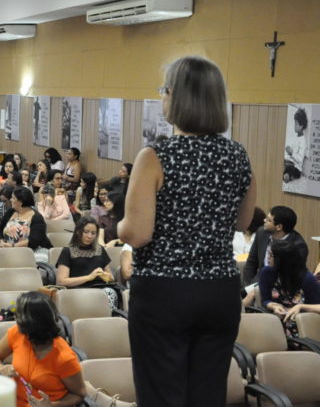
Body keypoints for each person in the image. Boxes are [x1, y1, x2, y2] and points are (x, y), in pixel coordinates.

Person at [119, 56, 257, 406]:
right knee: (207, 397)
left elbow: (137, 234)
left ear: (176, 98)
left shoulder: (155, 156)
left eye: (164, 90)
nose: (161, 97)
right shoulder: (237, 155)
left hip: (165, 291)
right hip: (220, 290)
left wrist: (121, 224)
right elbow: (243, 223)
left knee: (162, 395)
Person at [0, 292, 86, 407]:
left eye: (18, 316)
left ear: (30, 323)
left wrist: (52, 405)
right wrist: (1, 368)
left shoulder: (64, 358)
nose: (15, 318)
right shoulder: (17, 333)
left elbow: (79, 395)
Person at [259, 240, 320, 337]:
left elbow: (318, 306)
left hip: (301, 323)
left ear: (282, 260)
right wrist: (273, 306)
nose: (268, 258)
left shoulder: (307, 278)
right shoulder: (267, 272)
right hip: (275, 319)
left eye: (272, 256)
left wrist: (300, 307)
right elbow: (265, 300)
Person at [55, 216, 118, 305]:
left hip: (100, 289)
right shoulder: (68, 251)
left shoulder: (100, 250)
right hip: (78, 290)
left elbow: (111, 278)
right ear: (78, 231)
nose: (90, 236)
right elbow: (61, 281)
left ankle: (108, 317)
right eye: (86, 232)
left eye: (93, 233)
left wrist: (105, 276)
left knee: (110, 292)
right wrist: (89, 277)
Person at [243, 205, 308, 285]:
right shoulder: (261, 233)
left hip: (282, 287)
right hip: (257, 283)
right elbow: (251, 263)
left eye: (268, 220)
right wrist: (247, 287)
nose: (264, 220)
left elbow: (290, 276)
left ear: (279, 227)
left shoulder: (298, 246)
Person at [0, 187, 52, 257]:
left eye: (13, 198)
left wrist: (13, 246)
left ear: (20, 202)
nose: (10, 200)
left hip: (33, 251)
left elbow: (34, 242)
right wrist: (1, 242)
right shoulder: (10, 212)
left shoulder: (37, 217)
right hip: (10, 250)